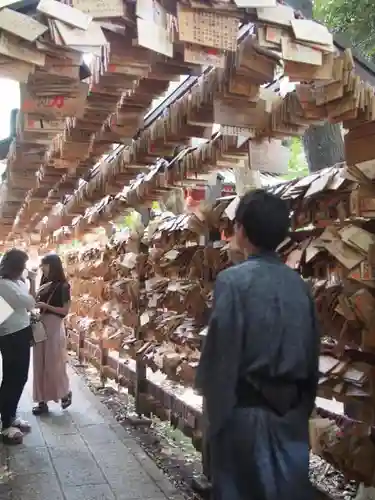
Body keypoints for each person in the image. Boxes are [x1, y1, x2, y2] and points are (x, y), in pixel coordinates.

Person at [196, 189, 320, 500]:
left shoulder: (232, 282)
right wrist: (299, 412)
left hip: (243, 419)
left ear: (241, 230)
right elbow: (312, 357)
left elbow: (220, 362)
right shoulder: (300, 286)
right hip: (289, 417)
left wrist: (215, 427)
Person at [0, 248, 36, 444]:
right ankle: (6, 424)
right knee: (12, 378)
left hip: (19, 333)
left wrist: (29, 281)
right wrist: (33, 281)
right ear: (16, 266)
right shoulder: (4, 285)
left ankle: (11, 416)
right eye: (22, 264)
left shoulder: (15, 282)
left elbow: (29, 302)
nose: (24, 268)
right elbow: (30, 302)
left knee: (20, 377)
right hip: (11, 336)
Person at [33, 253, 72, 415]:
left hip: (54, 326)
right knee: (38, 364)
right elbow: (33, 299)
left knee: (53, 363)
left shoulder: (64, 286)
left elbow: (65, 311)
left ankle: (64, 392)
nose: (42, 268)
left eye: (45, 265)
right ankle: (42, 401)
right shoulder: (43, 283)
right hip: (41, 325)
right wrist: (31, 280)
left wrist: (46, 307)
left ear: (53, 266)